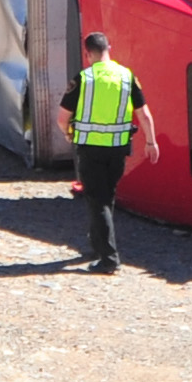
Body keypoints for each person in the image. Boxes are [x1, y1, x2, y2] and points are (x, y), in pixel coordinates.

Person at [59, 32, 158, 274]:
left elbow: (62, 118)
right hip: (118, 148)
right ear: (109, 48)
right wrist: (151, 142)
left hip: (90, 148)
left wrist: (68, 133)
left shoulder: (83, 79)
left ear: (87, 53)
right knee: (107, 196)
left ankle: (108, 258)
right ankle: (98, 244)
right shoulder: (127, 77)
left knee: (97, 200)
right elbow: (144, 114)